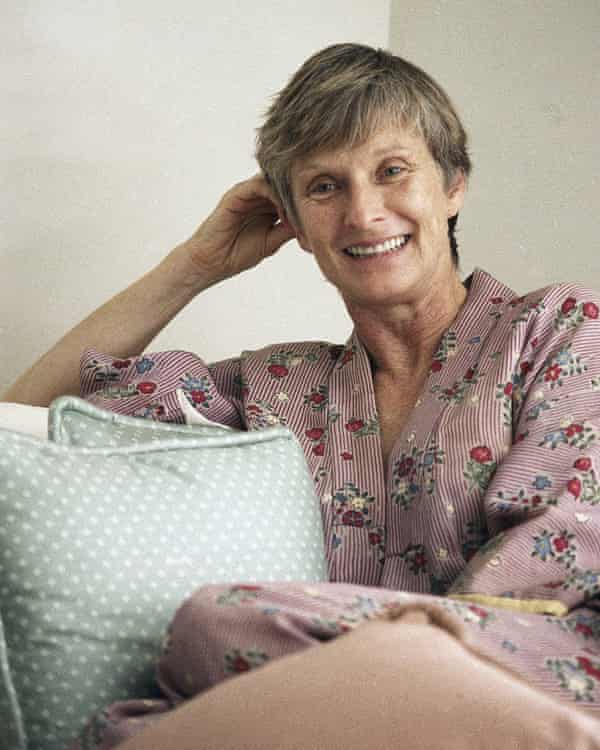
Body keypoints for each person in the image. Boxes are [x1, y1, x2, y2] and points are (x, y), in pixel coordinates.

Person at [4, 43, 600, 749]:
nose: (363, 210)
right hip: (366, 702)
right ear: (293, 224)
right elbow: (21, 423)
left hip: (539, 662)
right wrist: (191, 267)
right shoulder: (275, 387)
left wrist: (409, 658)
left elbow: (565, 544)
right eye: (324, 187)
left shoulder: (557, 328)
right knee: (140, 716)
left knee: (215, 625)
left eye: (392, 171)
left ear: (453, 184)